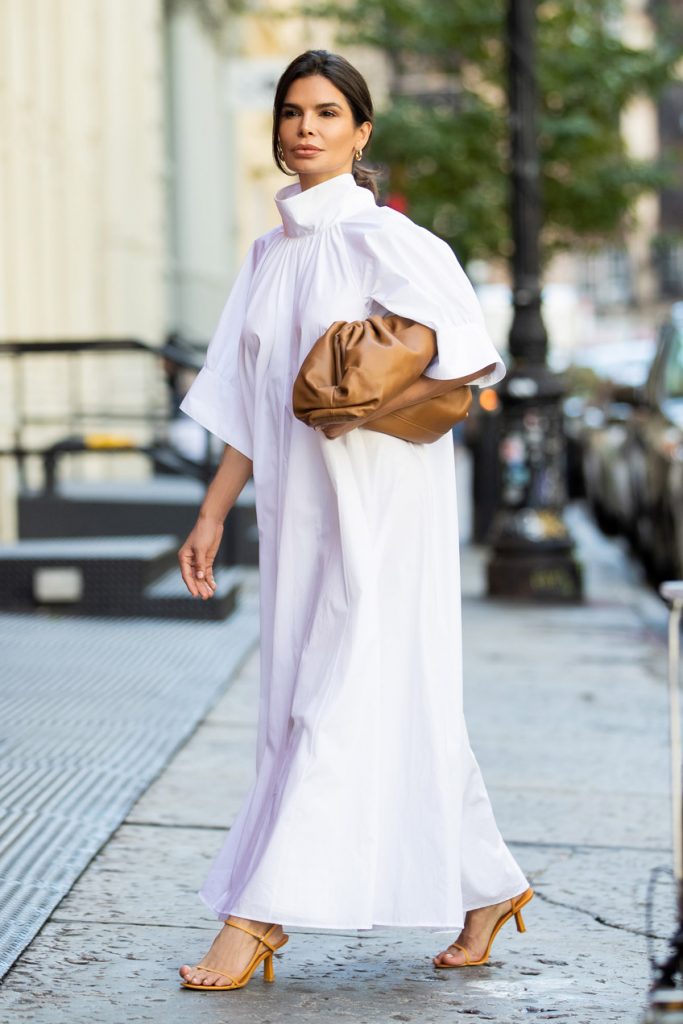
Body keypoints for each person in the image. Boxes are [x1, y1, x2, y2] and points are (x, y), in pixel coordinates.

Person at [176, 49, 532, 992]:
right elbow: (245, 405)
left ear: (361, 131)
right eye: (292, 111)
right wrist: (212, 513)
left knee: (337, 697)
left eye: (327, 112)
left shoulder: (387, 240)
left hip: (380, 507)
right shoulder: (266, 255)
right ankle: (486, 884)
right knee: (342, 697)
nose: (305, 127)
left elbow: (467, 351)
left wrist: (370, 389)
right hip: (298, 514)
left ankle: (254, 917)